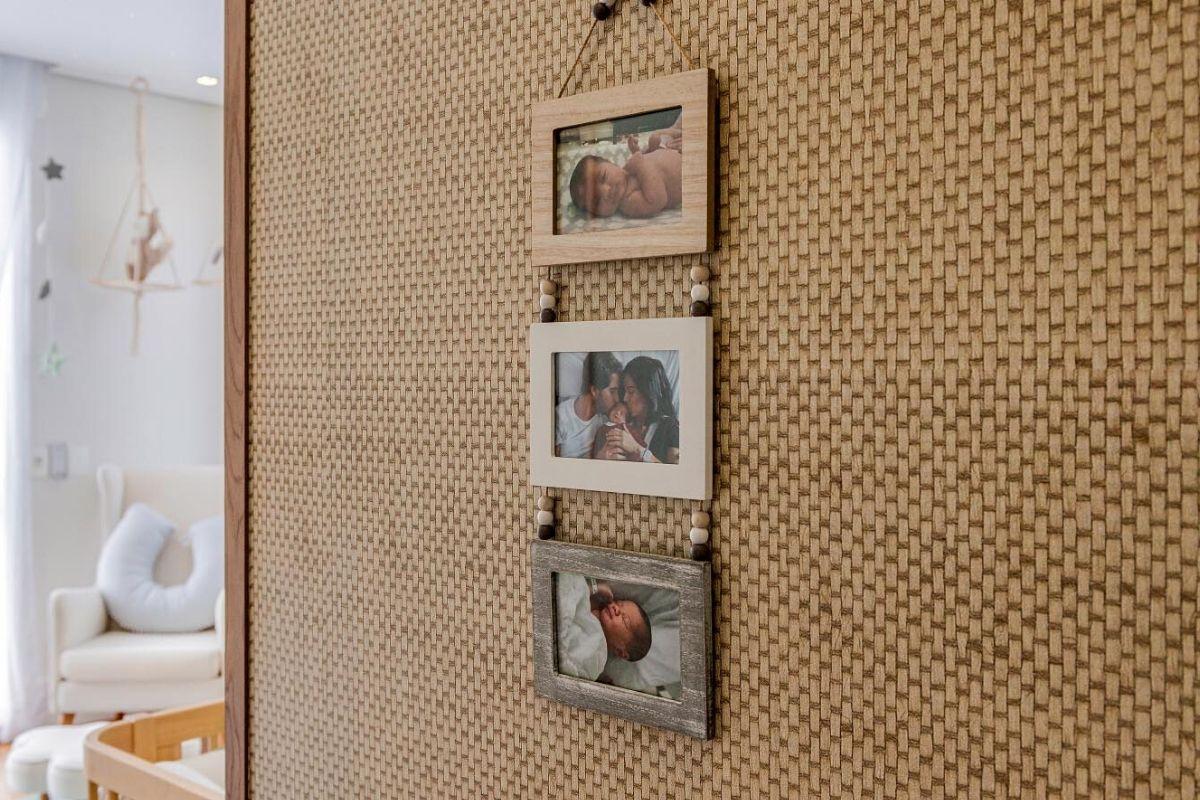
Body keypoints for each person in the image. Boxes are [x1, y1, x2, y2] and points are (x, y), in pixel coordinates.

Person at [568, 133, 683, 220]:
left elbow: (648, 162)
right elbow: (658, 199)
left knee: (657, 138)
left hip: (673, 151)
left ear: (611, 163)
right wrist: (641, 164)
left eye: (603, 177)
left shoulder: (627, 170)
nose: (606, 191)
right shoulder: (629, 202)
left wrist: (640, 152)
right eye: (597, 200)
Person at [600, 356, 680, 464]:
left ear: (648, 392)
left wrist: (638, 450)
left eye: (631, 392)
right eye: (625, 391)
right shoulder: (621, 421)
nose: (625, 398)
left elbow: (676, 473)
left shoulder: (670, 428)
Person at [555, 351, 621, 458]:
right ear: (594, 390)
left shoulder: (606, 419)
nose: (617, 399)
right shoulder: (560, 418)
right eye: (612, 391)